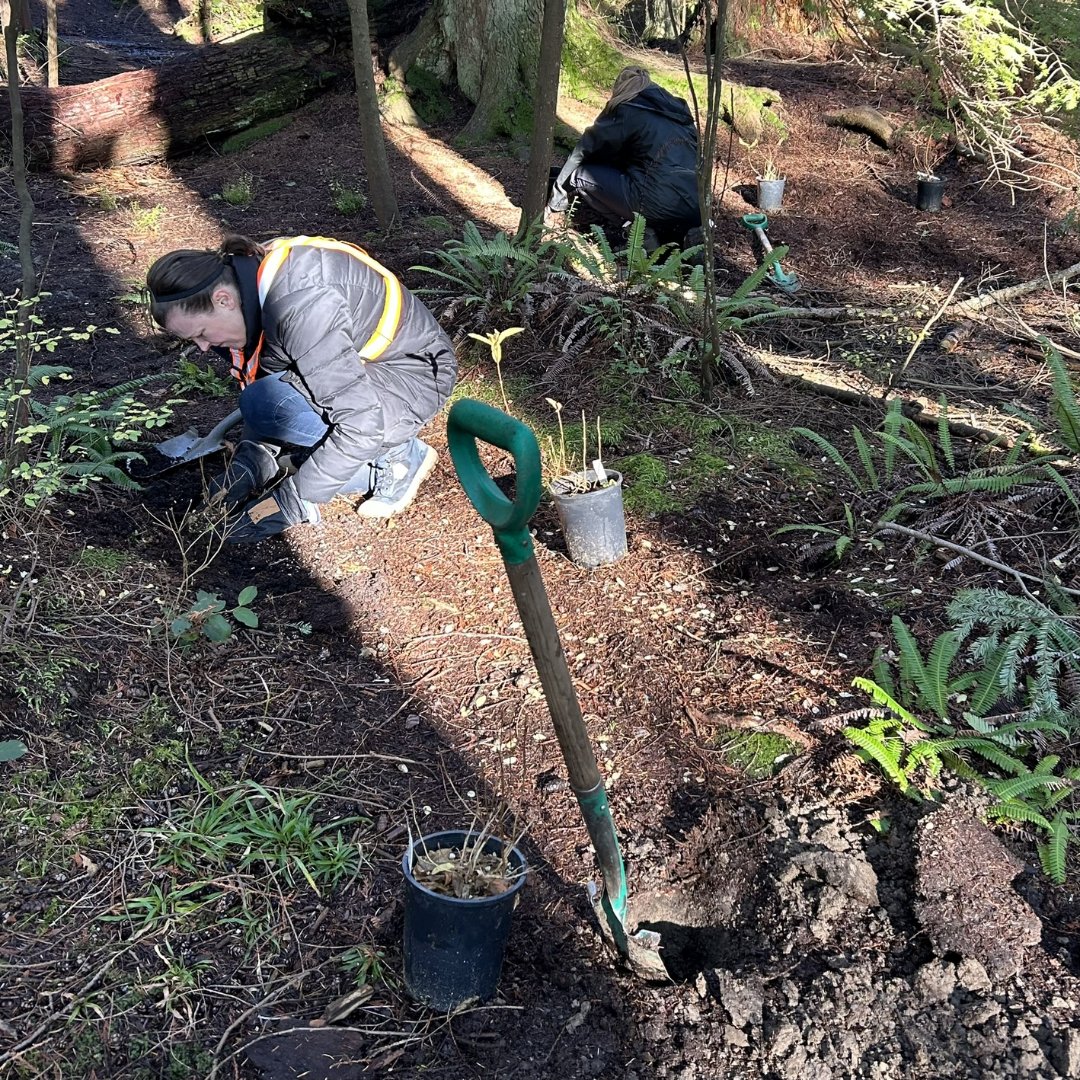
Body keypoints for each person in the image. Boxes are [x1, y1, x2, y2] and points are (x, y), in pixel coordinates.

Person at [147, 234, 457, 543]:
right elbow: (269, 374)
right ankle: (315, 458)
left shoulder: (303, 304)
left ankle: (398, 457)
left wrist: (290, 501)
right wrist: (252, 457)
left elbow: (360, 425)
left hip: (414, 377)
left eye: (201, 333)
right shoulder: (249, 279)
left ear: (223, 299)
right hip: (364, 369)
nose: (202, 347)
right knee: (262, 403)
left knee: (274, 407)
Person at [546, 66, 701, 249]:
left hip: (653, 202)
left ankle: (638, 233)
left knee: (579, 176)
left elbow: (584, 150)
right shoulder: (680, 116)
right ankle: (685, 237)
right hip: (696, 207)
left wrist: (555, 202)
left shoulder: (628, 108)